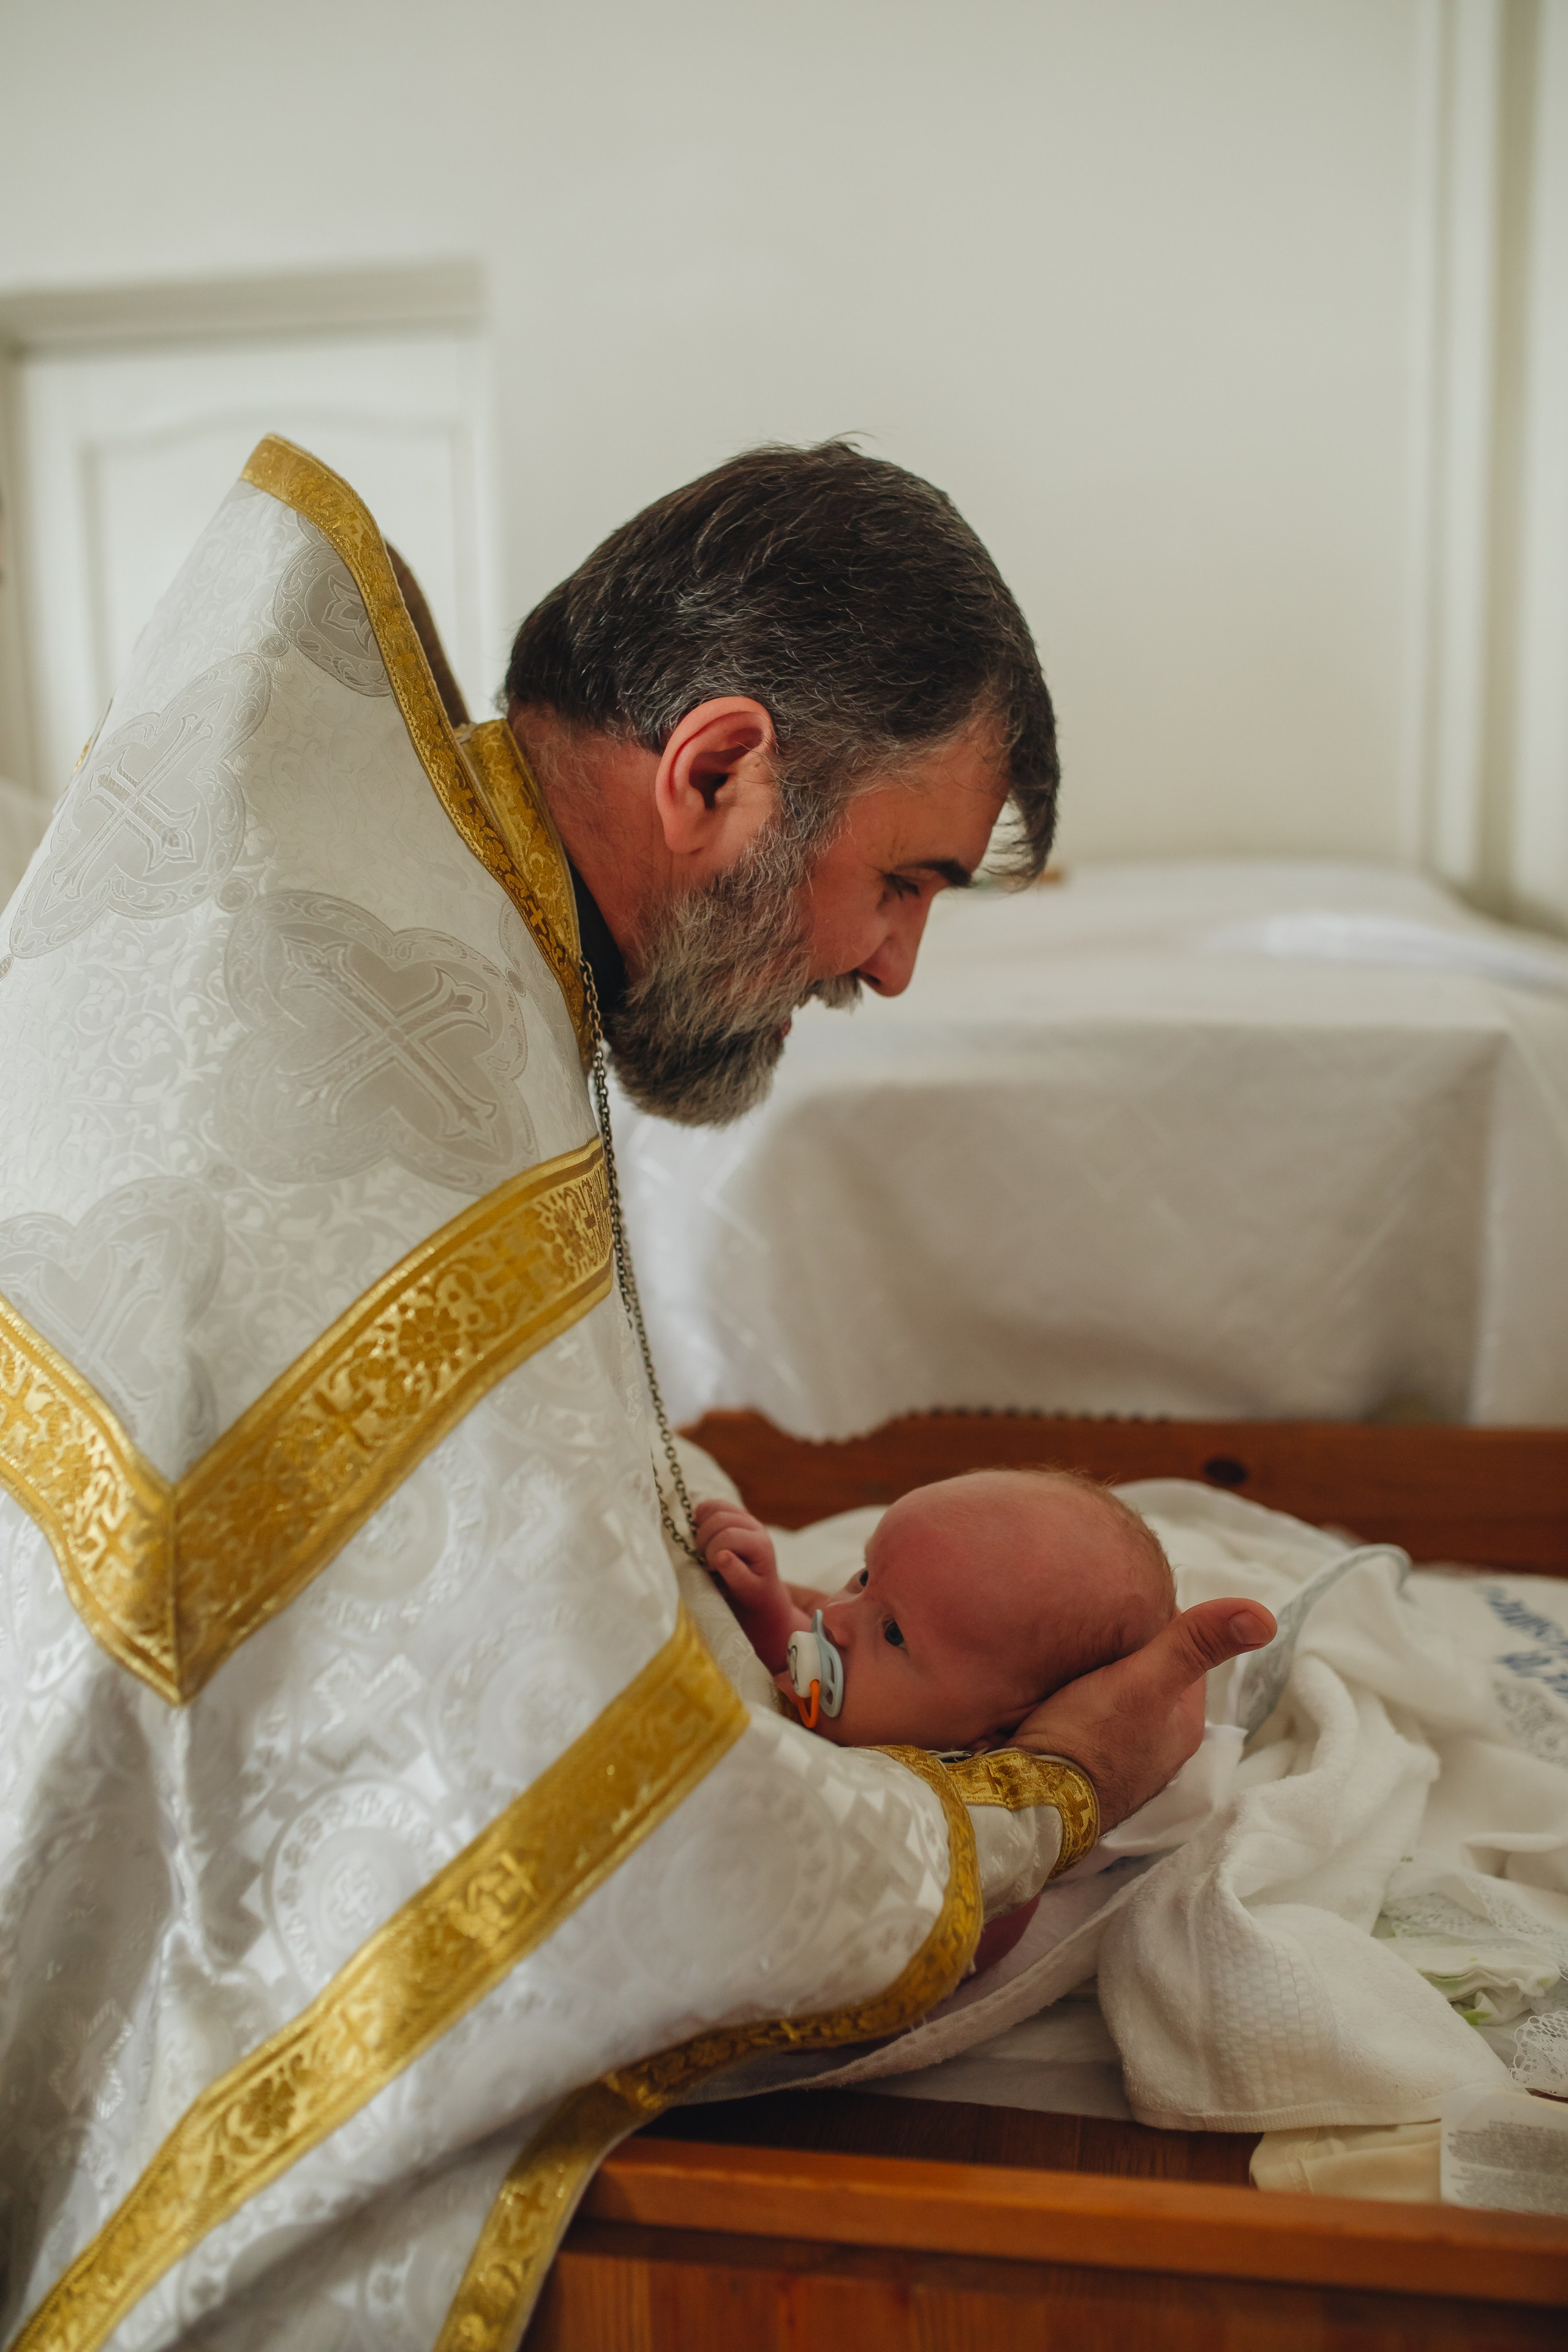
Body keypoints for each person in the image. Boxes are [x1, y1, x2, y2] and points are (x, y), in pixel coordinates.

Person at [0, 435, 1272, 2350]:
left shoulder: (412, 883)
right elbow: (647, 1851)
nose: (895, 965)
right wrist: (1057, 1785)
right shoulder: (359, 994)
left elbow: (431, 1438)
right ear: (716, 769)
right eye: (899, 878)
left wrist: (655, 1509)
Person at [697, 1471, 1177, 1752]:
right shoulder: (860, 1694)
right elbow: (795, 1666)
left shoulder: (953, 1814)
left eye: (895, 1635)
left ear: (993, 1735)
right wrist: (766, 1608)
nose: (836, 1618)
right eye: (864, 1577)